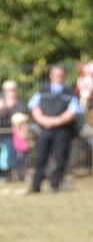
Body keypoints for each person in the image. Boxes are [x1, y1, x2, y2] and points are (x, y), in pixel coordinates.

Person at [27, 64, 81, 193]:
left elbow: (73, 111)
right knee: (40, 159)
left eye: (60, 75)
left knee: (60, 158)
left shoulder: (70, 93)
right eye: (56, 74)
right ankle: (35, 186)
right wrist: (43, 120)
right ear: (51, 76)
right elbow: (34, 107)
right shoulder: (42, 91)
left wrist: (56, 121)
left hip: (63, 131)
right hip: (44, 130)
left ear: (64, 76)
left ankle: (54, 186)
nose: (58, 77)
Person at [0, 80, 21, 181]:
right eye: (8, 91)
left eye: (13, 90)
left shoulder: (19, 103)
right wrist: (4, 107)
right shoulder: (2, 102)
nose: (11, 93)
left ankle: (9, 173)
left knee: (11, 154)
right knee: (5, 153)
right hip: (3, 133)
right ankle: (4, 173)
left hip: (14, 134)